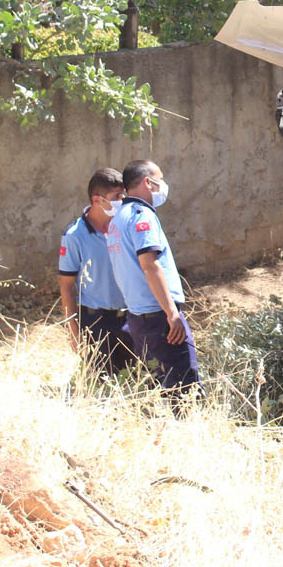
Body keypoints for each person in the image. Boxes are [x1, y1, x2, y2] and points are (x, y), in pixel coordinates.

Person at [106, 159, 200, 396]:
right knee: (185, 390)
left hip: (139, 317)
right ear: (148, 182)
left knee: (158, 387)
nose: (164, 185)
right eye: (161, 179)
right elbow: (150, 265)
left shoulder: (118, 219)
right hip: (159, 318)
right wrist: (172, 314)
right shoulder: (141, 216)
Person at [58, 168, 135, 374]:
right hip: (95, 323)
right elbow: (67, 286)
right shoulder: (75, 235)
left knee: (136, 383)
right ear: (97, 199)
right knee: (102, 384)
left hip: (130, 319)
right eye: (116, 197)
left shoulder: (125, 227)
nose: (122, 200)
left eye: (123, 195)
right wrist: (73, 332)